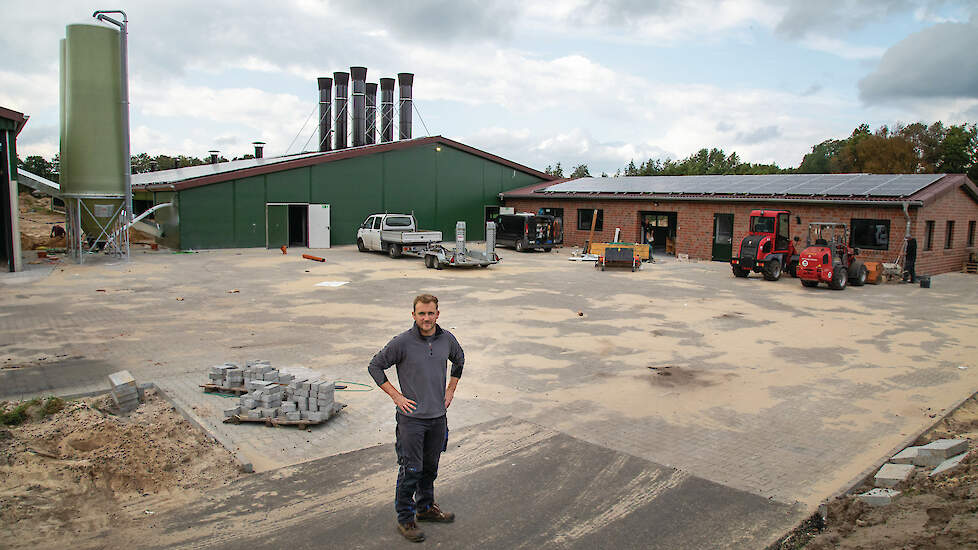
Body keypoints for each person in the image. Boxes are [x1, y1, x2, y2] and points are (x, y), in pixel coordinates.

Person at [368, 294, 464, 543]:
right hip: (412, 420)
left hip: (438, 418)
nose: (426, 318)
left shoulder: (447, 339)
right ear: (413, 315)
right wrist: (396, 396)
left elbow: (459, 360)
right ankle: (405, 519)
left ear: (437, 314)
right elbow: (375, 366)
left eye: (430, 313)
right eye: (421, 313)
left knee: (430, 468)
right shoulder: (402, 342)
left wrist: (451, 389)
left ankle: (425, 508)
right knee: (411, 470)